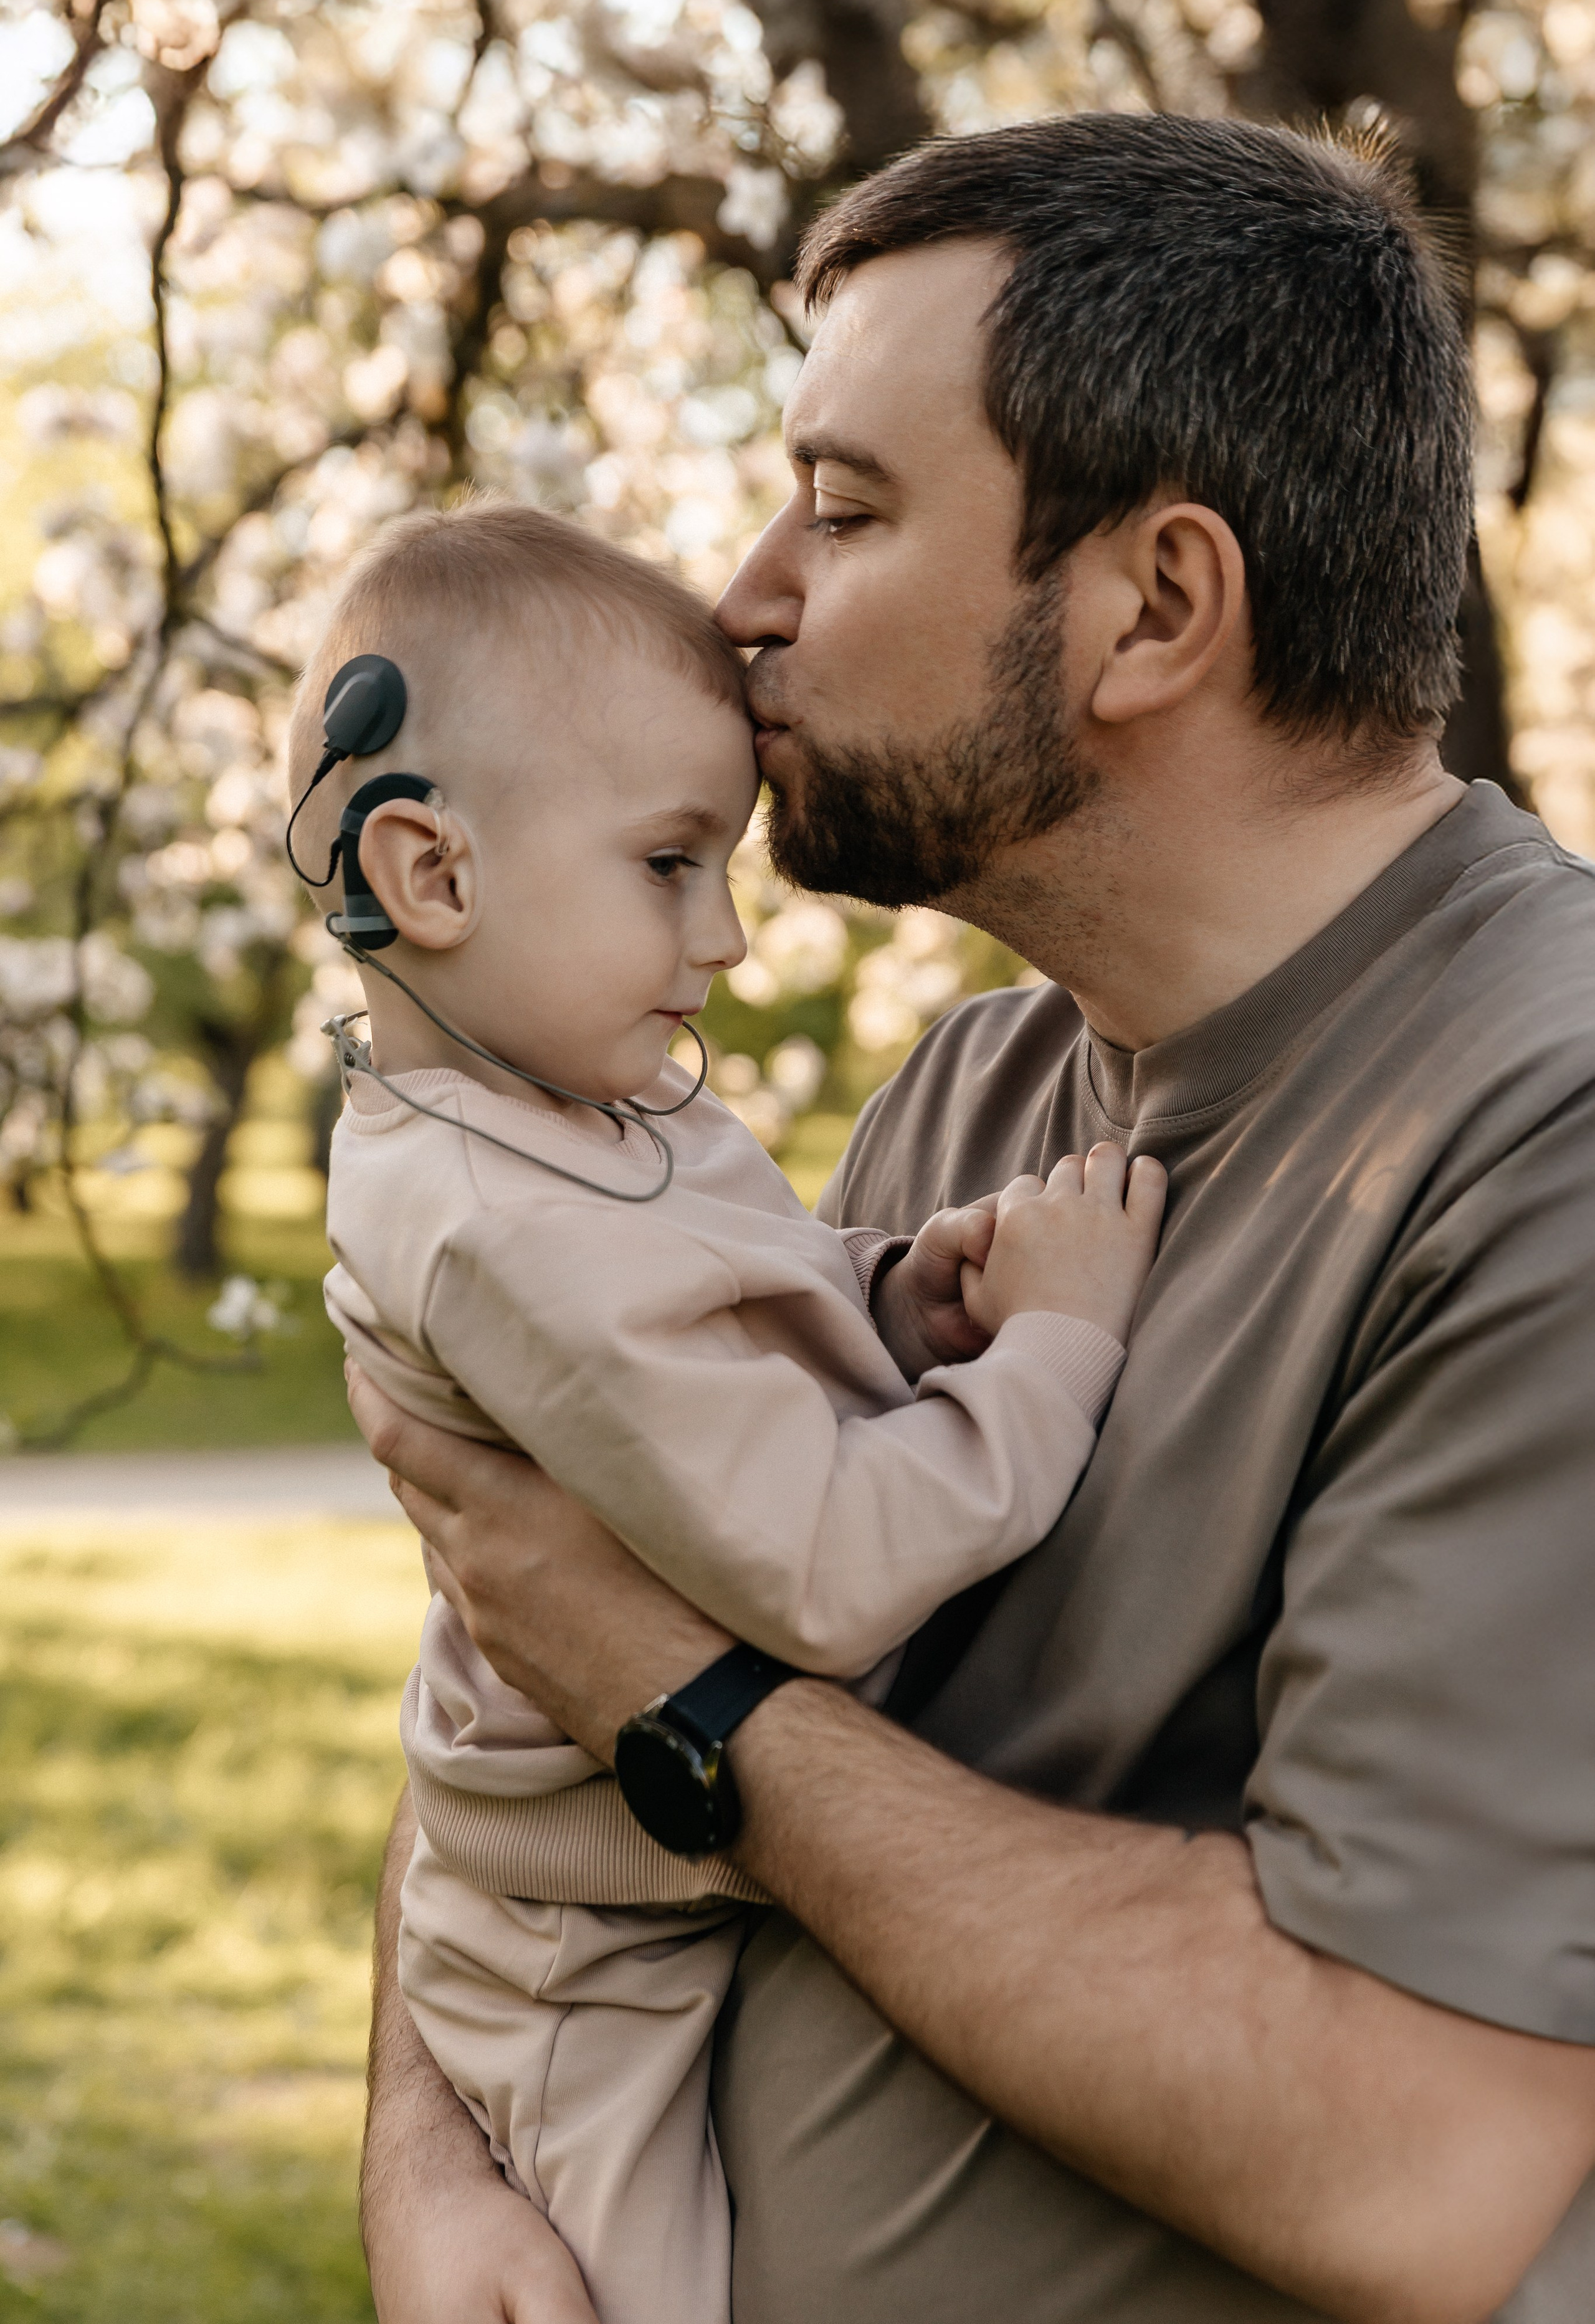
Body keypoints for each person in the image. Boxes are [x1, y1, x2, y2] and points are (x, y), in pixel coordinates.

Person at [353, 115, 1595, 2323]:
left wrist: (692, 1703)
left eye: (843, 509)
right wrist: (436, 2163)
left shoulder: (1546, 1133)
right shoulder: (975, 1088)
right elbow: (519, 1668)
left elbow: (1414, 2158)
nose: (744, 595)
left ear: (1156, 607)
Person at [297, 498, 1165, 2324]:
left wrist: (890, 1295)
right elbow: (820, 1571)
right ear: (433, 873)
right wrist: (1052, 1354)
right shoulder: (493, 1222)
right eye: (670, 865)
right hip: (578, 1962)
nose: (729, 940)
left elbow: (724, 1317)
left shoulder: (573, 1116)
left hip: (650, 1889)